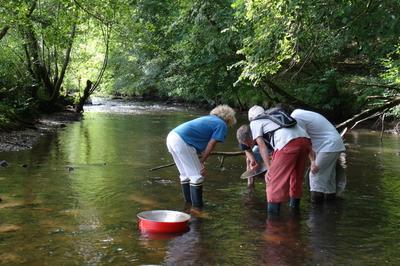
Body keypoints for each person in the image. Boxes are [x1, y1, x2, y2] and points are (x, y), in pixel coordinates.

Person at [166, 105, 236, 209]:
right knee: (196, 176)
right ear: (229, 118)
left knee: (185, 174)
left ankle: (188, 205)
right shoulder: (222, 124)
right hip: (182, 141)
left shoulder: (209, 119)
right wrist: (202, 161)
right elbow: (211, 144)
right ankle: (198, 209)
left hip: (171, 137)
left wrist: (200, 161)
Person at [248, 105, 311, 214]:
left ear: (251, 118)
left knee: (273, 183)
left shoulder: (255, 122)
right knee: (296, 177)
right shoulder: (274, 116)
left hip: (287, 143)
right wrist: (313, 160)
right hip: (305, 141)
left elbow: (261, 146)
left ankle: (273, 224)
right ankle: (294, 211)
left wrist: (269, 169)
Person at [290, 108, 346, 203]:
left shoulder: (296, 117)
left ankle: (316, 208)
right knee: (329, 179)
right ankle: (330, 205)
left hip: (328, 145)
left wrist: (312, 161)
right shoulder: (300, 113)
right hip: (334, 143)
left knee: (315, 174)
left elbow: (304, 140)